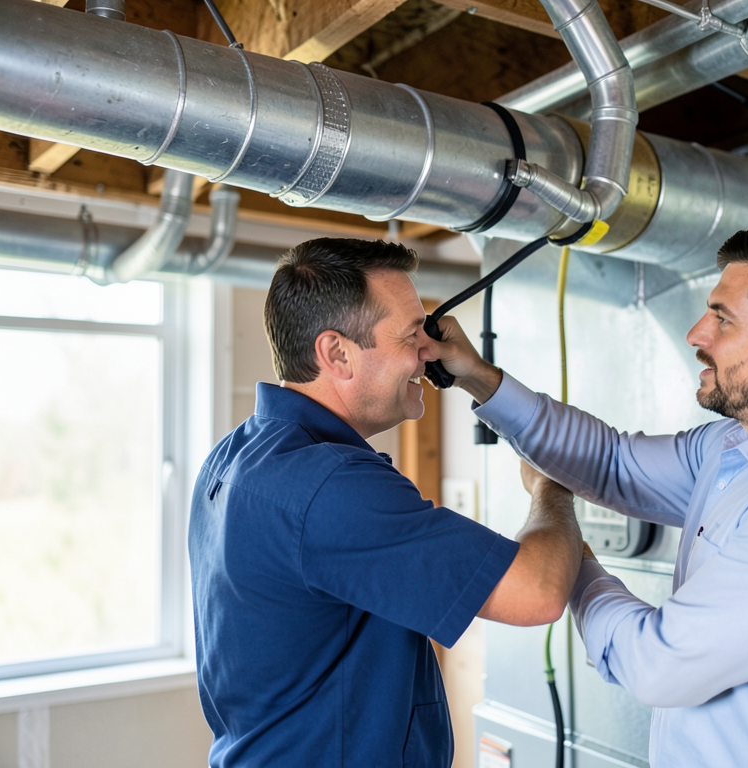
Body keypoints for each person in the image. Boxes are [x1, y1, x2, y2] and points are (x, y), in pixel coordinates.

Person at [434, 225, 748, 767]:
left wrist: (568, 555)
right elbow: (611, 462)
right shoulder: (734, 447)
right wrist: (477, 378)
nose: (697, 334)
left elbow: (657, 664)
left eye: (722, 318)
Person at [187, 237, 582, 768]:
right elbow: (537, 591)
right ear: (337, 353)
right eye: (410, 334)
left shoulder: (236, 457)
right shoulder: (329, 485)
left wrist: (475, 375)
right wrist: (551, 487)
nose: (430, 349)